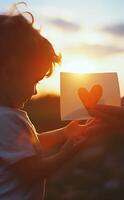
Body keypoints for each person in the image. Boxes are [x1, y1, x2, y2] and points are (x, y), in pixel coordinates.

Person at [0, 10, 92, 200]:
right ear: (9, 72)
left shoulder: (6, 116)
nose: (35, 91)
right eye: (34, 81)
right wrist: (65, 153)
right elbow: (31, 172)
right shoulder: (6, 119)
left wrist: (64, 133)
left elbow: (29, 146)